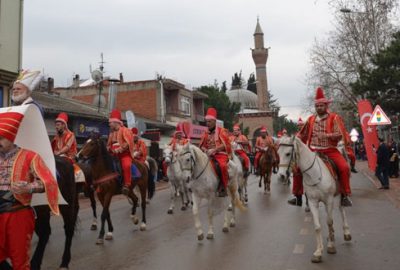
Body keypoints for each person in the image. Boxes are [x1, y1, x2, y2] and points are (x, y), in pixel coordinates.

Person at [0, 109, 59, 270]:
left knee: (20, 261)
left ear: (11, 137)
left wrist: (28, 187)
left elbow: (48, 182)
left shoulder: (30, 156)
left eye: (1, 137)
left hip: (17, 213)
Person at [298, 87, 352, 207]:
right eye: (317, 106)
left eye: (321, 106)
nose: (319, 108)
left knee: (344, 167)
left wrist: (326, 135)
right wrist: (294, 140)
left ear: (326, 106)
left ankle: (345, 194)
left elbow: (339, 134)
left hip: (330, 150)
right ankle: (297, 196)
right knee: (296, 168)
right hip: (312, 150)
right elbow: (302, 134)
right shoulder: (311, 119)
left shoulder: (334, 118)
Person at [199, 108, 232, 197]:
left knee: (222, 166)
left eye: (209, 122)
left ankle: (223, 186)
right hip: (208, 155)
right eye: (207, 122)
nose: (207, 124)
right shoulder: (205, 133)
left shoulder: (222, 131)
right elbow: (201, 145)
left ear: (214, 121)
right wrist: (205, 150)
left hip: (220, 155)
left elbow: (226, 144)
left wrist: (215, 150)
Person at [106, 109, 135, 193]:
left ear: (116, 122)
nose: (109, 124)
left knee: (126, 165)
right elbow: (108, 145)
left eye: (110, 122)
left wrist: (119, 150)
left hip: (124, 155)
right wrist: (109, 149)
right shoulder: (111, 133)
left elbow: (128, 143)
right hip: (113, 155)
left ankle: (127, 184)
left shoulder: (126, 130)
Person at [288, 117, 305, 206]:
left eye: (301, 125)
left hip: (308, 156)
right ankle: (298, 199)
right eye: (298, 125)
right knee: (296, 174)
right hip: (298, 158)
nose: (300, 127)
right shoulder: (296, 135)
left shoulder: (307, 133)